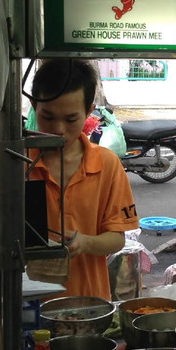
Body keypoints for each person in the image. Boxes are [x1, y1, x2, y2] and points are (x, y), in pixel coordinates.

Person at [29, 59, 138, 299]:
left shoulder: (107, 165)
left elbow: (117, 238)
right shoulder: (16, 162)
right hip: (26, 306)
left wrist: (85, 243)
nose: (58, 129)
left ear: (88, 112)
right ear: (33, 105)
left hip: (87, 303)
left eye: (70, 120)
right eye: (47, 117)